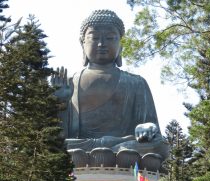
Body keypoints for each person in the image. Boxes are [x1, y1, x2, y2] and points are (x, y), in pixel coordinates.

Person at [52, 9, 169, 165]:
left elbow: (152, 130)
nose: (102, 44)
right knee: (51, 146)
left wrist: (147, 128)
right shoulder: (69, 82)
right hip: (80, 148)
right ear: (82, 43)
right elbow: (56, 136)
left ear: (120, 44)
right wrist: (60, 104)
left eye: (110, 38)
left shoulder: (136, 83)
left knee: (158, 146)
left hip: (124, 147)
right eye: (94, 38)